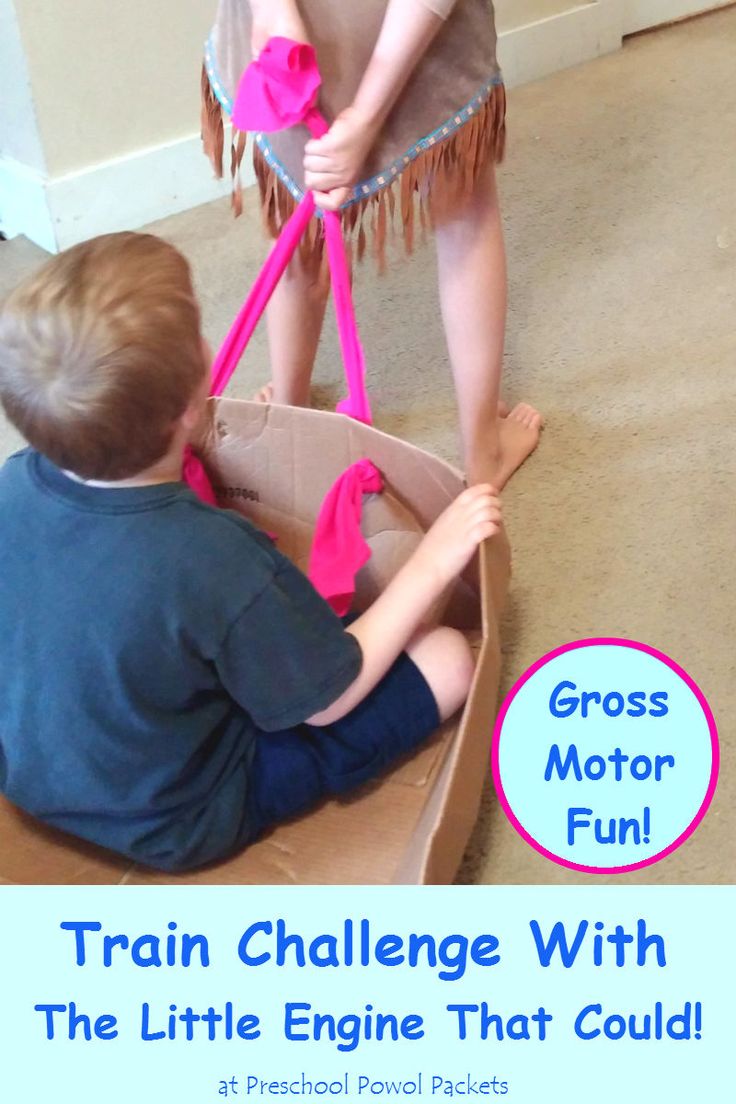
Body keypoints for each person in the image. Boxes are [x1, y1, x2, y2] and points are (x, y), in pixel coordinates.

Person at [0, 232, 502, 873]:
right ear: (191, 400)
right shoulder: (213, 553)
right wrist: (432, 562)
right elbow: (329, 701)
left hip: (32, 777)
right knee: (447, 658)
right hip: (181, 816)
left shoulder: (14, 479)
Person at [202, 0, 543, 487]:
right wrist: (362, 114)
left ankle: (288, 414)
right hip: (410, 30)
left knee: (295, 222)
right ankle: (481, 448)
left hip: (296, 33)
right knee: (465, 215)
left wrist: (275, 13)